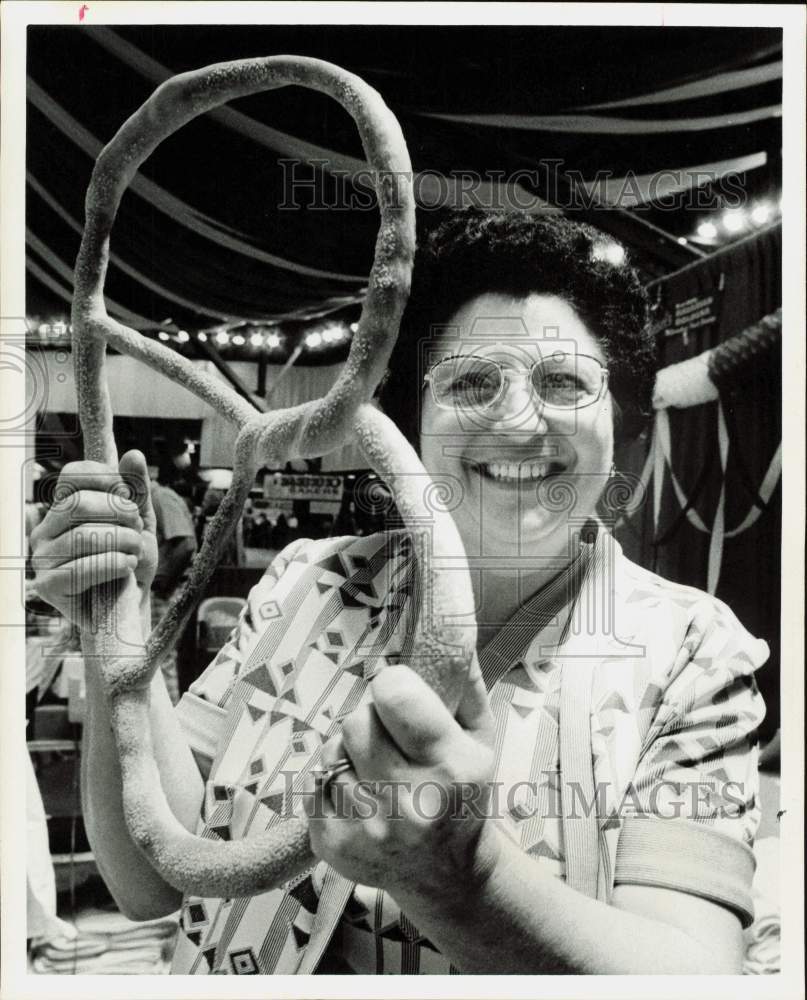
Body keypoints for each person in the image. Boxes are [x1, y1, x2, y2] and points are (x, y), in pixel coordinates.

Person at [30, 209, 767, 975]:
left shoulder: (692, 652)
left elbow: (694, 973)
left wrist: (466, 876)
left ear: (624, 427)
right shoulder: (307, 581)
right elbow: (149, 878)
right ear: (413, 426)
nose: (516, 420)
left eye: (562, 382)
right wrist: (112, 625)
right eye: (472, 381)